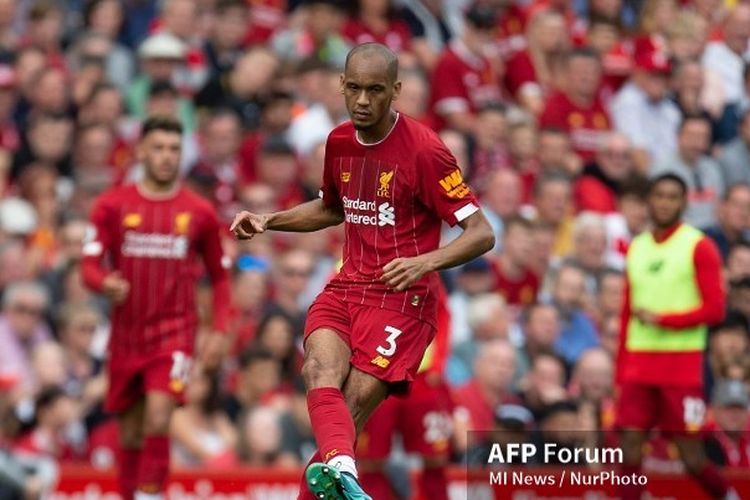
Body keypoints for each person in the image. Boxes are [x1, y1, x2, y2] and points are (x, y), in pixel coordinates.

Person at [231, 43, 494, 499]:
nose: (363, 101)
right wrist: (268, 220)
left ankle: (339, 474)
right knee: (318, 371)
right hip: (347, 285)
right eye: (354, 89)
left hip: (402, 301)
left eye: (375, 90)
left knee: (347, 414)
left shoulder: (427, 150)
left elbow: (482, 232)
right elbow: (333, 208)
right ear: (341, 86)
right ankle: (345, 476)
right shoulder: (338, 141)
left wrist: (424, 262)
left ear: (396, 90)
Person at [81, 116, 231, 500]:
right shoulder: (112, 205)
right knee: (130, 431)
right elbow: (89, 266)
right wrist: (104, 283)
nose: (167, 157)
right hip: (127, 335)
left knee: (160, 415)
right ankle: (132, 493)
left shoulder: (199, 212)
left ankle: (150, 495)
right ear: (141, 151)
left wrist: (219, 329)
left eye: (174, 149)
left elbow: (219, 276)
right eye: (159, 148)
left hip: (175, 333)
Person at [615, 173, 734, 500]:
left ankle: (729, 496)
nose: (664, 202)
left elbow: (715, 310)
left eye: (672, 197)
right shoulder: (637, 246)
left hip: (681, 367)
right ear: (649, 201)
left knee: (691, 455)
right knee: (629, 446)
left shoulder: (698, 246)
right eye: (659, 196)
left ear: (683, 203)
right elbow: (627, 312)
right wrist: (620, 370)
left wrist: (664, 320)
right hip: (639, 365)